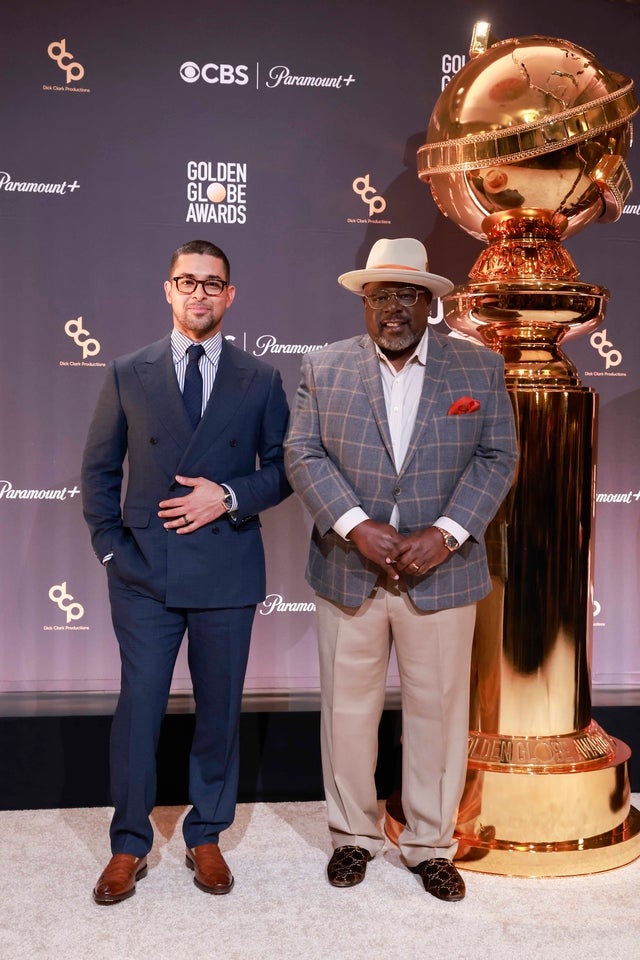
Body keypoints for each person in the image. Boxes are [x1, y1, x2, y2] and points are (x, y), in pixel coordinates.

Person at [284, 237, 518, 901]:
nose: (395, 307)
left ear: (431, 303)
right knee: (348, 714)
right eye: (382, 294)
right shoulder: (323, 368)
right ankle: (352, 839)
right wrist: (356, 525)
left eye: (409, 294)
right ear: (366, 302)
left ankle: (428, 846)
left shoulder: (478, 370)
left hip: (441, 577)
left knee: (438, 717)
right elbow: (302, 454)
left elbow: (499, 457)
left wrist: (445, 534)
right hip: (348, 572)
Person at [81, 239, 291, 904]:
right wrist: (113, 551)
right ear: (167, 290)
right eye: (187, 282)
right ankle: (127, 844)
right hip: (143, 573)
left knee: (219, 711)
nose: (199, 293)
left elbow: (287, 468)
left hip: (226, 569)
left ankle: (206, 834)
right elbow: (99, 471)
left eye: (212, 283)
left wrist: (225, 496)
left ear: (230, 296)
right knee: (139, 708)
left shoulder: (261, 379)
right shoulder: (127, 371)